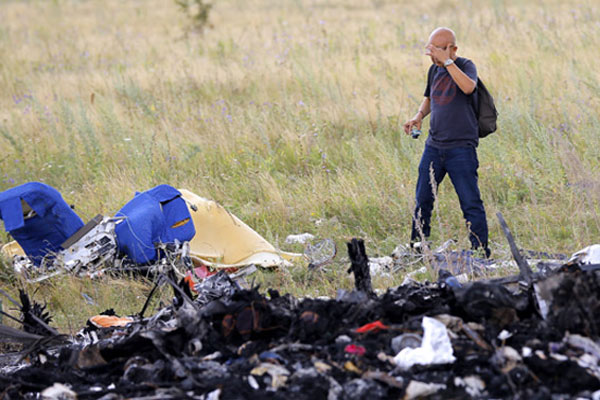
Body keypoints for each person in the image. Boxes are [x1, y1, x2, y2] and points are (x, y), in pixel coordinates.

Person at [403, 27, 490, 257]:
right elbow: (429, 98)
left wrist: (448, 62)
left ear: (453, 49)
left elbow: (469, 87)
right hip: (434, 146)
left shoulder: (465, 66)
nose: (434, 57)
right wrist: (418, 116)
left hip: (461, 148)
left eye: (439, 50)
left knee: (470, 201)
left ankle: (480, 251)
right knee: (422, 199)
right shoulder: (434, 70)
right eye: (431, 51)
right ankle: (417, 248)